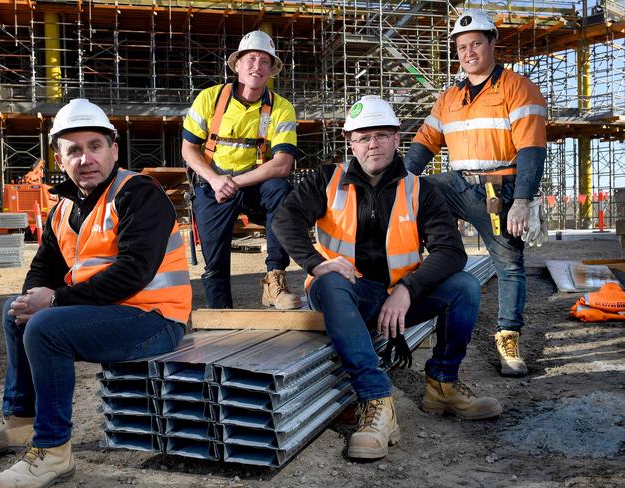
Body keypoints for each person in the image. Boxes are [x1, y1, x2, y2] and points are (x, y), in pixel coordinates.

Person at [0, 98, 192, 488]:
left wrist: (54, 301)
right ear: (59, 158)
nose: (85, 158)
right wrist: (30, 299)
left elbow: (134, 272)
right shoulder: (63, 208)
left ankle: (54, 451)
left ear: (113, 150)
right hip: (108, 313)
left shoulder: (138, 193)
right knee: (16, 309)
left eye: (95, 146)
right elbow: (43, 267)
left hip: (156, 319)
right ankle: (20, 422)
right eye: (73, 150)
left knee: (45, 327)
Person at [273, 95, 502, 461]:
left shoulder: (420, 190)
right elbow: (285, 220)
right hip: (345, 294)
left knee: (464, 286)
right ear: (350, 142)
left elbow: (451, 252)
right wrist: (316, 264)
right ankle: (376, 401)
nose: (372, 144)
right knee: (330, 283)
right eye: (362, 137)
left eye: (381, 135)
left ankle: (442, 384)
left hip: (398, 297)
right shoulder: (326, 180)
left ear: (397, 140)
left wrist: (407, 290)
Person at [403, 9, 548, 377]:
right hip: (456, 182)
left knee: (508, 263)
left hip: (499, 189)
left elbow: (531, 148)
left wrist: (522, 201)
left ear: (492, 44)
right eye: (461, 47)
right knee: (412, 193)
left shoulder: (517, 87)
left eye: (475, 44)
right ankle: (411, 294)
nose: (468, 53)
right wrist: (399, 184)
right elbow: (425, 141)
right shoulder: (450, 97)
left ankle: (508, 335)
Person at [182, 30, 300, 310]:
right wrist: (214, 179)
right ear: (237, 64)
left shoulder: (281, 108)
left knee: (282, 192)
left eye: (264, 61)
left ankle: (275, 279)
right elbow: (189, 149)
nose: (256, 66)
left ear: (272, 70)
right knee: (214, 258)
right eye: (251, 59)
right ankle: (221, 311)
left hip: (254, 183)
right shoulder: (210, 99)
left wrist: (232, 182)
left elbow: (283, 164)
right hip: (212, 184)